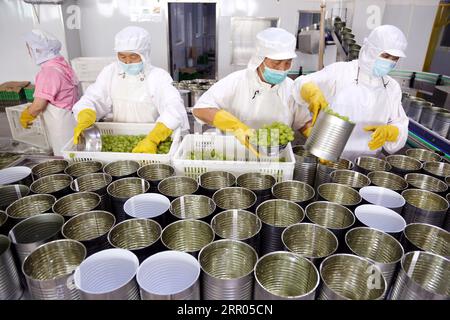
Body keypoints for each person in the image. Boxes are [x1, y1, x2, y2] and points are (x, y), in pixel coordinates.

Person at [295, 25, 409, 162]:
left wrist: (392, 132)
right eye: (385, 56)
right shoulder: (342, 72)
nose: (389, 62)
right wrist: (311, 91)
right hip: (328, 157)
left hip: (367, 163)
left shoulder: (392, 87)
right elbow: (301, 83)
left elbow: (400, 124)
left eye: (394, 58)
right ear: (371, 50)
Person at [192, 27, 311, 155]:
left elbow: (304, 123)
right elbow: (200, 109)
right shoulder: (236, 81)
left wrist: (320, 142)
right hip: (234, 154)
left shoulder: (291, 88)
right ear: (260, 59)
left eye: (288, 63)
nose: (282, 69)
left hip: (274, 157)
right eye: (276, 63)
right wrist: (235, 126)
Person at [72, 26, 188, 153]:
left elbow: (174, 107)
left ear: (144, 54)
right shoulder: (110, 72)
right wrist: (85, 116)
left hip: (151, 137)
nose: (127, 62)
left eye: (133, 57)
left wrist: (153, 139)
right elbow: (93, 97)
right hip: (118, 133)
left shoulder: (158, 76)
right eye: (122, 56)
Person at [20, 29, 79, 156]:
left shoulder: (49, 72)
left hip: (61, 126)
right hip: (71, 119)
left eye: (29, 48)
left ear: (38, 50)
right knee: (73, 153)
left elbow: (38, 105)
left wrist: (27, 115)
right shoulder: (61, 64)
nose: (28, 52)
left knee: (65, 156)